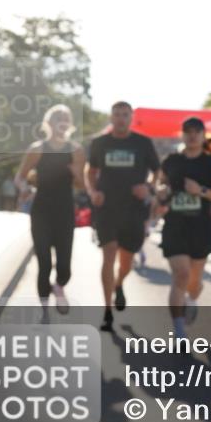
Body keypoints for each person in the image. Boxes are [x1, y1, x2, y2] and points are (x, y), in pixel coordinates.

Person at [86, 101, 161, 332]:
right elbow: (91, 170)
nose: (120, 118)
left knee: (126, 261)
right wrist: (93, 192)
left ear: (131, 117)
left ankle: (119, 283)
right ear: (111, 117)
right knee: (108, 255)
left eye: (125, 115)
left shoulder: (142, 143)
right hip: (107, 208)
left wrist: (148, 188)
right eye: (117, 114)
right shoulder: (100, 143)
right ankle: (107, 311)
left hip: (133, 209)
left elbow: (157, 171)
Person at [154, 116, 211, 338]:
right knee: (181, 275)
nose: (192, 135)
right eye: (188, 131)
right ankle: (178, 330)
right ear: (182, 134)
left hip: (201, 227)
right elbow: (161, 182)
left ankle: (192, 299)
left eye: (197, 131)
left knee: (194, 282)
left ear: (203, 135)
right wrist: (161, 191)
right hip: (175, 225)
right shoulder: (172, 160)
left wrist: (201, 191)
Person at [14, 104, 86, 319]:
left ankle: (59, 286)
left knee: (64, 265)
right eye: (57, 118)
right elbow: (20, 176)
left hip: (64, 211)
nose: (61, 122)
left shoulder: (76, 151)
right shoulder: (38, 148)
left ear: (70, 124)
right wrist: (24, 188)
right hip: (42, 211)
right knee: (44, 262)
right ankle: (44, 307)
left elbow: (82, 186)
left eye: (65, 118)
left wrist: (77, 174)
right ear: (49, 123)